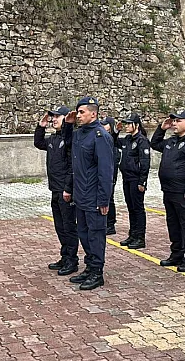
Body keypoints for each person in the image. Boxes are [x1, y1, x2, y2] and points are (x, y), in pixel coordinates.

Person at [63, 96, 114, 290]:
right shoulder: (79, 133)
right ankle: (89, 266)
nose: (79, 116)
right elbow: (68, 144)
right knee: (83, 233)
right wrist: (67, 125)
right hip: (81, 195)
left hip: (94, 196)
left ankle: (97, 272)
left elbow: (105, 170)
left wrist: (104, 199)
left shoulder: (101, 136)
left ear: (94, 113)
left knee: (96, 235)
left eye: (82, 112)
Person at [150, 109, 185, 272]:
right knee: (173, 224)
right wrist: (161, 128)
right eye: (173, 121)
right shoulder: (172, 141)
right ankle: (177, 254)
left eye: (177, 121)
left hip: (183, 193)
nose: (174, 123)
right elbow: (154, 144)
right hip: (169, 190)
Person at [34, 105, 79, 276]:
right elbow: (38, 143)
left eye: (56, 117)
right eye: (52, 117)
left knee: (69, 227)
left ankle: (72, 260)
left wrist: (68, 188)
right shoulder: (53, 139)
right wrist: (41, 126)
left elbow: (72, 167)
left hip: (66, 191)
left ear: (66, 119)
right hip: (55, 189)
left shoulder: (70, 139)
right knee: (60, 226)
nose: (53, 120)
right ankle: (65, 256)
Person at [114, 113, 151, 249]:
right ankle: (133, 234)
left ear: (136, 125)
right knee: (131, 207)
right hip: (127, 178)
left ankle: (140, 237)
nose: (126, 127)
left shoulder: (141, 140)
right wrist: (116, 131)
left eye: (129, 124)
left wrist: (143, 181)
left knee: (138, 208)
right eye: (126, 124)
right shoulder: (128, 139)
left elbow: (145, 162)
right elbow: (113, 141)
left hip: (136, 179)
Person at [100, 116, 121, 235]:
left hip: (111, 172)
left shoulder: (112, 139)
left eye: (105, 124)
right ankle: (106, 222)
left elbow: (113, 139)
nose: (103, 126)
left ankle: (111, 224)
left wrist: (116, 131)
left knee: (109, 198)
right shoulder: (102, 136)